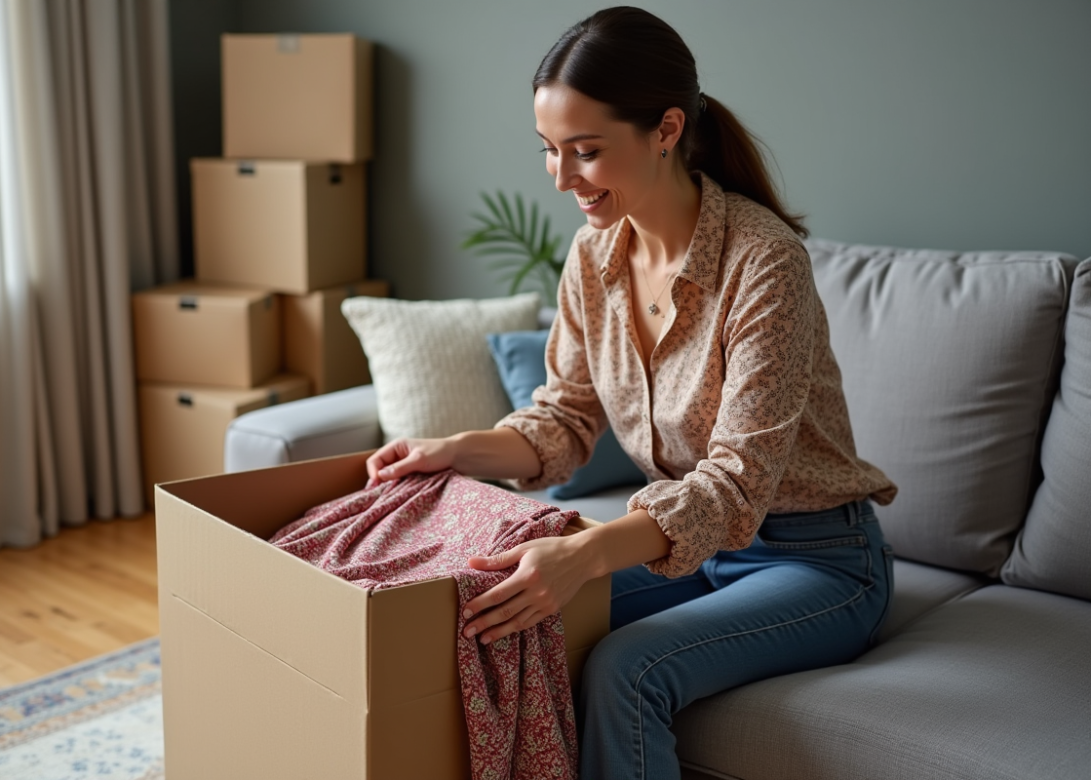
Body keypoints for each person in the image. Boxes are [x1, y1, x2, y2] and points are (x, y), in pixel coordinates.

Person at [365, 6, 898, 778]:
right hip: (686, 549)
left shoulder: (764, 264)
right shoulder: (593, 255)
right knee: (505, 629)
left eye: (586, 151)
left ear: (667, 129)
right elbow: (563, 420)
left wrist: (584, 553)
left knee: (626, 668)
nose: (561, 177)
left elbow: (735, 487)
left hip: (815, 561)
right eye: (549, 151)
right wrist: (453, 449)